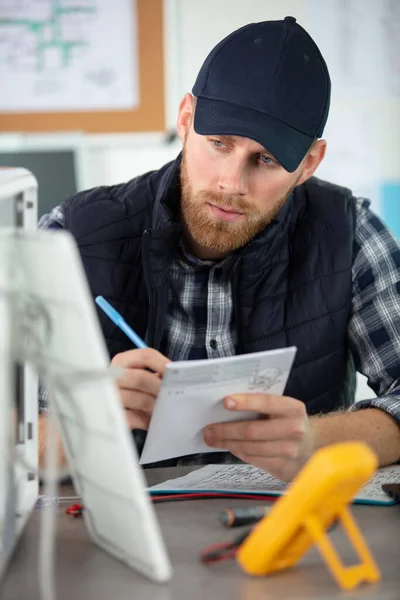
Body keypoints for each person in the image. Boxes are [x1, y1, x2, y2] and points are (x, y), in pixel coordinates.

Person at [38, 16, 400, 482]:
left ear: (308, 164)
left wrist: (314, 440)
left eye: (266, 160)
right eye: (218, 143)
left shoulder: (348, 233)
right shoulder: (72, 236)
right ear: (186, 120)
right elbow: (13, 430)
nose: (232, 183)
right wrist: (85, 422)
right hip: (114, 539)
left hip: (283, 537)